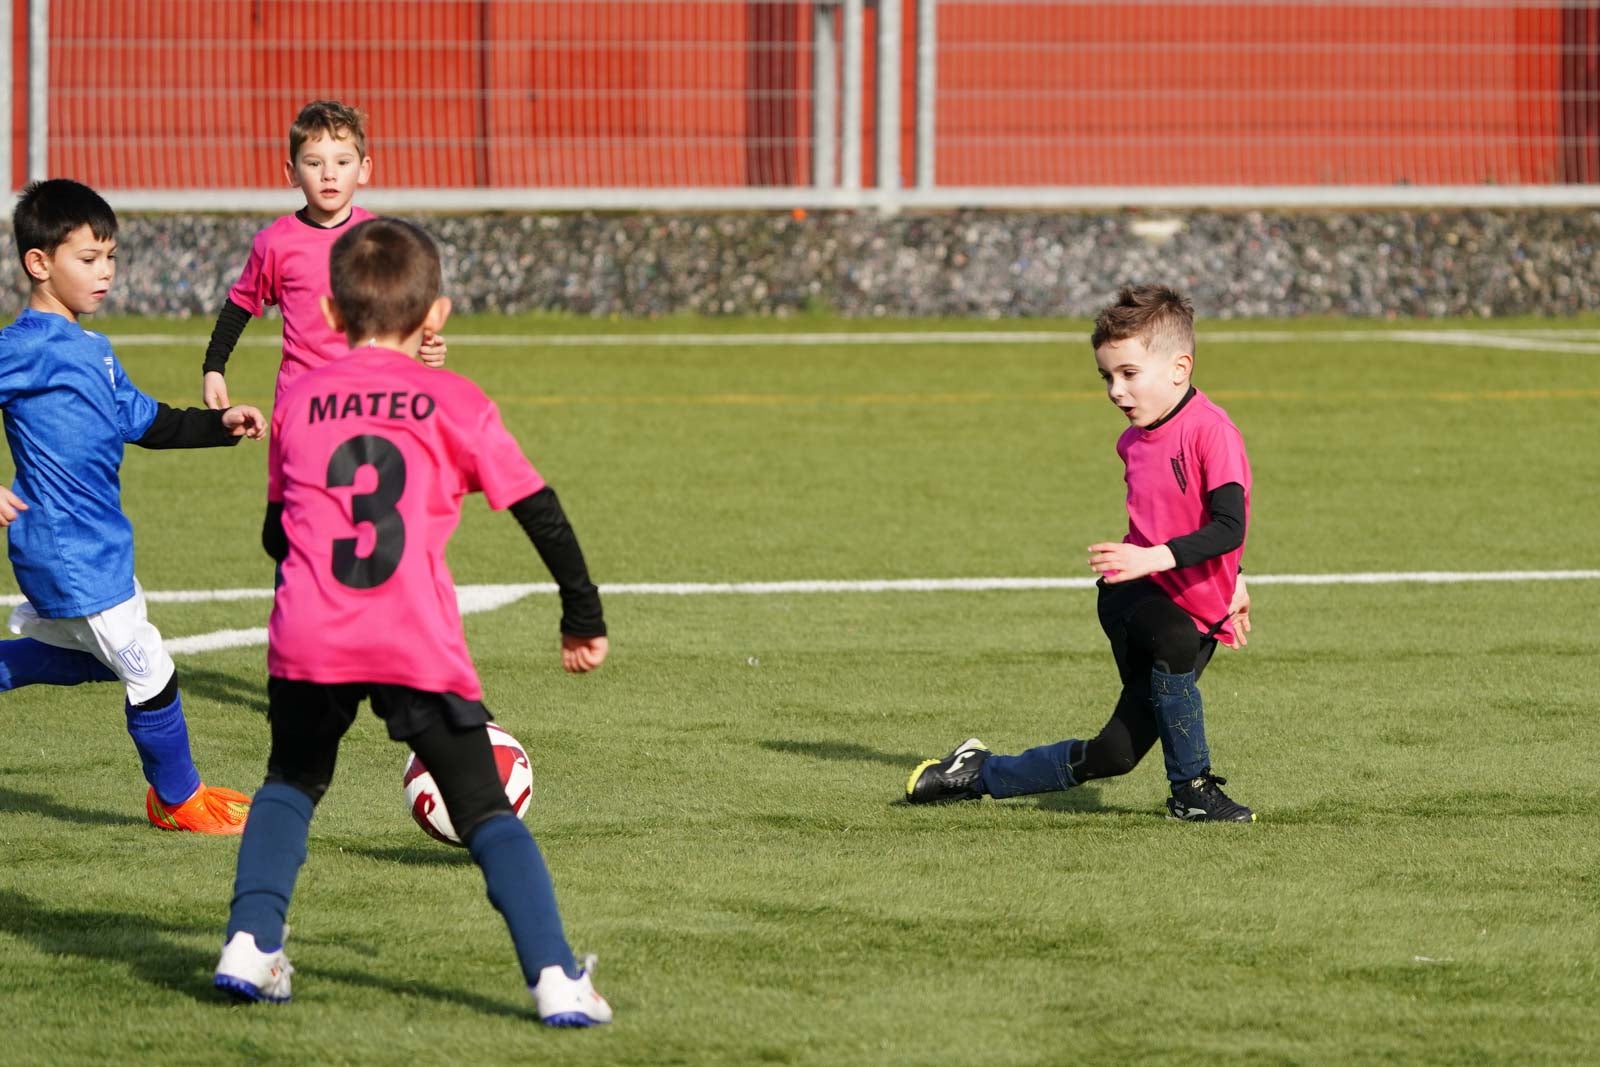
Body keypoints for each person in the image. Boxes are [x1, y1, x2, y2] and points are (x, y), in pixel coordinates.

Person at [214, 217, 614, 1027]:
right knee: (486, 810)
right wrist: (582, 612)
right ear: (438, 316)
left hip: (310, 631)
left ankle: (249, 947)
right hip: (411, 636)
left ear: (328, 312)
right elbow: (540, 509)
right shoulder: (455, 398)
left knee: (291, 783)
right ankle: (558, 981)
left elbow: (272, 533)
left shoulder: (298, 402)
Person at [906, 285, 1256, 822]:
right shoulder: (1135, 440)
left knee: (1114, 755)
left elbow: (1227, 524)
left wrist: (1233, 579)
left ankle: (979, 772)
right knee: (1175, 638)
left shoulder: (1213, 432)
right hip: (1132, 594)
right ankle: (1192, 790)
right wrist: (1151, 560)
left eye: (1129, 374)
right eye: (1107, 377)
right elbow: (1166, 525)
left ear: (1179, 368)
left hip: (1184, 598)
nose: (1116, 391)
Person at [0, 179, 266, 833]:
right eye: (88, 258)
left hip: (101, 541)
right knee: (148, 662)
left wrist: (218, 423)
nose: (106, 272)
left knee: (92, 658)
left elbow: (144, 421)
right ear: (39, 263)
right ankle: (177, 799)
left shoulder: (95, 350)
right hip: (64, 546)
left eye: (110, 257)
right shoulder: (25, 345)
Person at [201, 100, 446, 411]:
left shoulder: (379, 238)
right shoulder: (275, 242)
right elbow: (239, 305)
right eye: (314, 164)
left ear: (364, 169)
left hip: (371, 398)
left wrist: (425, 340)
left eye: (342, 163)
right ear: (293, 173)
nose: (329, 174)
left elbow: (398, 305)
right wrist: (214, 368)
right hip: (302, 401)